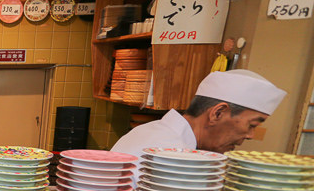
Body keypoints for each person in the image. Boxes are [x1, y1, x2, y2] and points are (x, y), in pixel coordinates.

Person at [111, 69, 287, 158]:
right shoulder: (171, 153)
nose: (251, 135)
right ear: (217, 113)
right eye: (252, 125)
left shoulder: (152, 130)